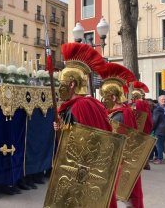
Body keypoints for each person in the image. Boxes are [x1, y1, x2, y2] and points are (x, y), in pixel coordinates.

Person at [52, 42, 119, 208]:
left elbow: (86, 141)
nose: (60, 87)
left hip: (84, 169)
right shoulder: (80, 104)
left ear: (72, 84)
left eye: (62, 83)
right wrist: (60, 129)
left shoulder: (82, 105)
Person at [98, 63, 145, 208]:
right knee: (127, 197)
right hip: (123, 162)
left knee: (120, 196)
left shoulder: (118, 116)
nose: (103, 100)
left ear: (112, 96)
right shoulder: (125, 111)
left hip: (119, 163)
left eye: (104, 96)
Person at [152, 95, 165, 164]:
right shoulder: (157, 109)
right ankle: (159, 158)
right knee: (159, 145)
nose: (164, 100)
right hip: (160, 129)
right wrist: (152, 128)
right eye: (162, 99)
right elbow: (154, 120)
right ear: (159, 100)